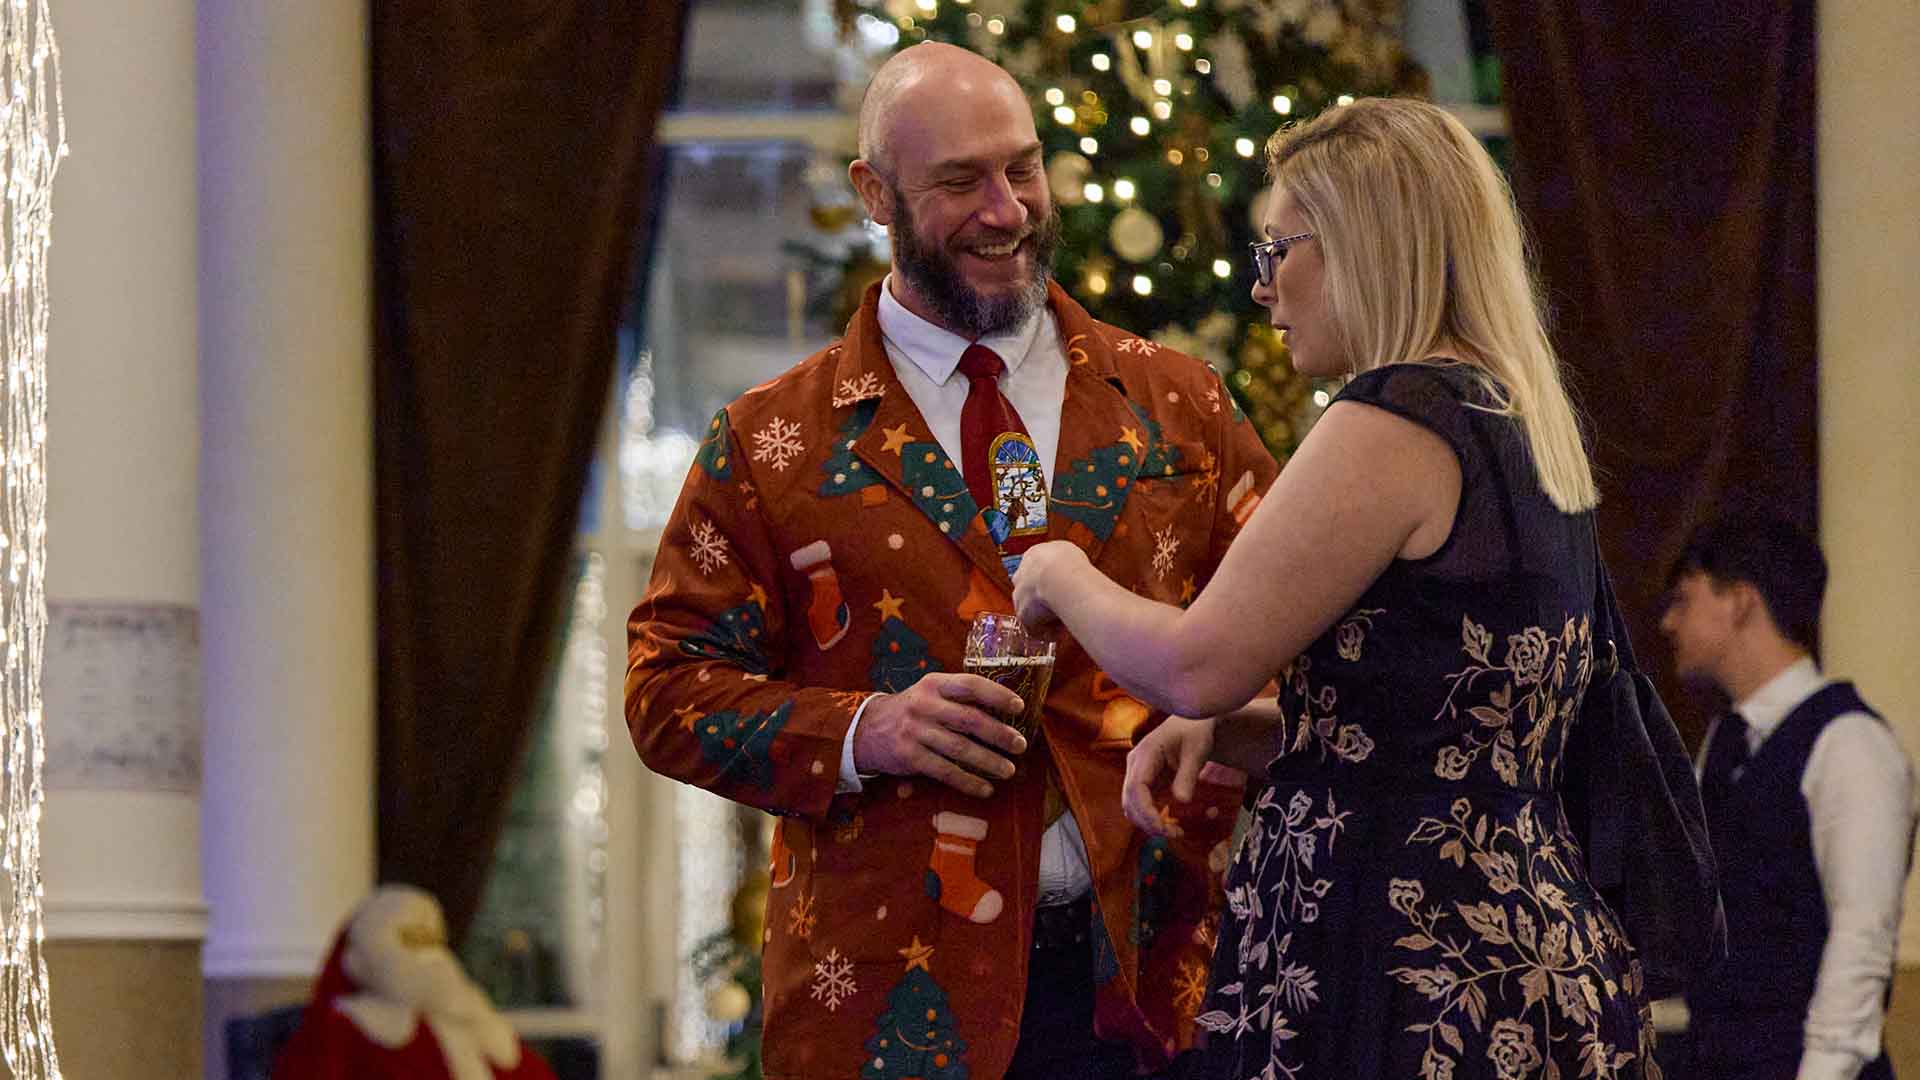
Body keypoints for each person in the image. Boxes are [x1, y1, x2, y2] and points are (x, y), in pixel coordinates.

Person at [625, 42, 1279, 1080]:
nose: (1007, 210)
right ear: (874, 195)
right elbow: (665, 692)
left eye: (1022, 168)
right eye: (960, 182)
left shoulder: (1177, 404)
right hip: (892, 1008)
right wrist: (864, 731)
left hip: (1162, 992)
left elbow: (1303, 632)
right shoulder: (769, 442)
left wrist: (1222, 716)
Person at [1011, 97, 1661, 1078]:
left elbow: (1198, 664)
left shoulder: (1393, 419)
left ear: (1361, 244)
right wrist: (1254, 734)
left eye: (1278, 251)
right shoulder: (1514, 417)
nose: (1264, 291)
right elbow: (1448, 731)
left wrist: (1059, 573)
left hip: (1400, 957)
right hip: (1523, 949)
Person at [1659, 515, 1916, 1080]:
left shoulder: (1851, 744)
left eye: (1684, 599)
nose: (1669, 622)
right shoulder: (1725, 740)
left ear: (1741, 602)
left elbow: (1861, 943)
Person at [272, 885, 557, 1080]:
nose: (427, 957)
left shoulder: (477, 1025)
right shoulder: (348, 1027)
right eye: (410, 940)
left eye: (430, 941)